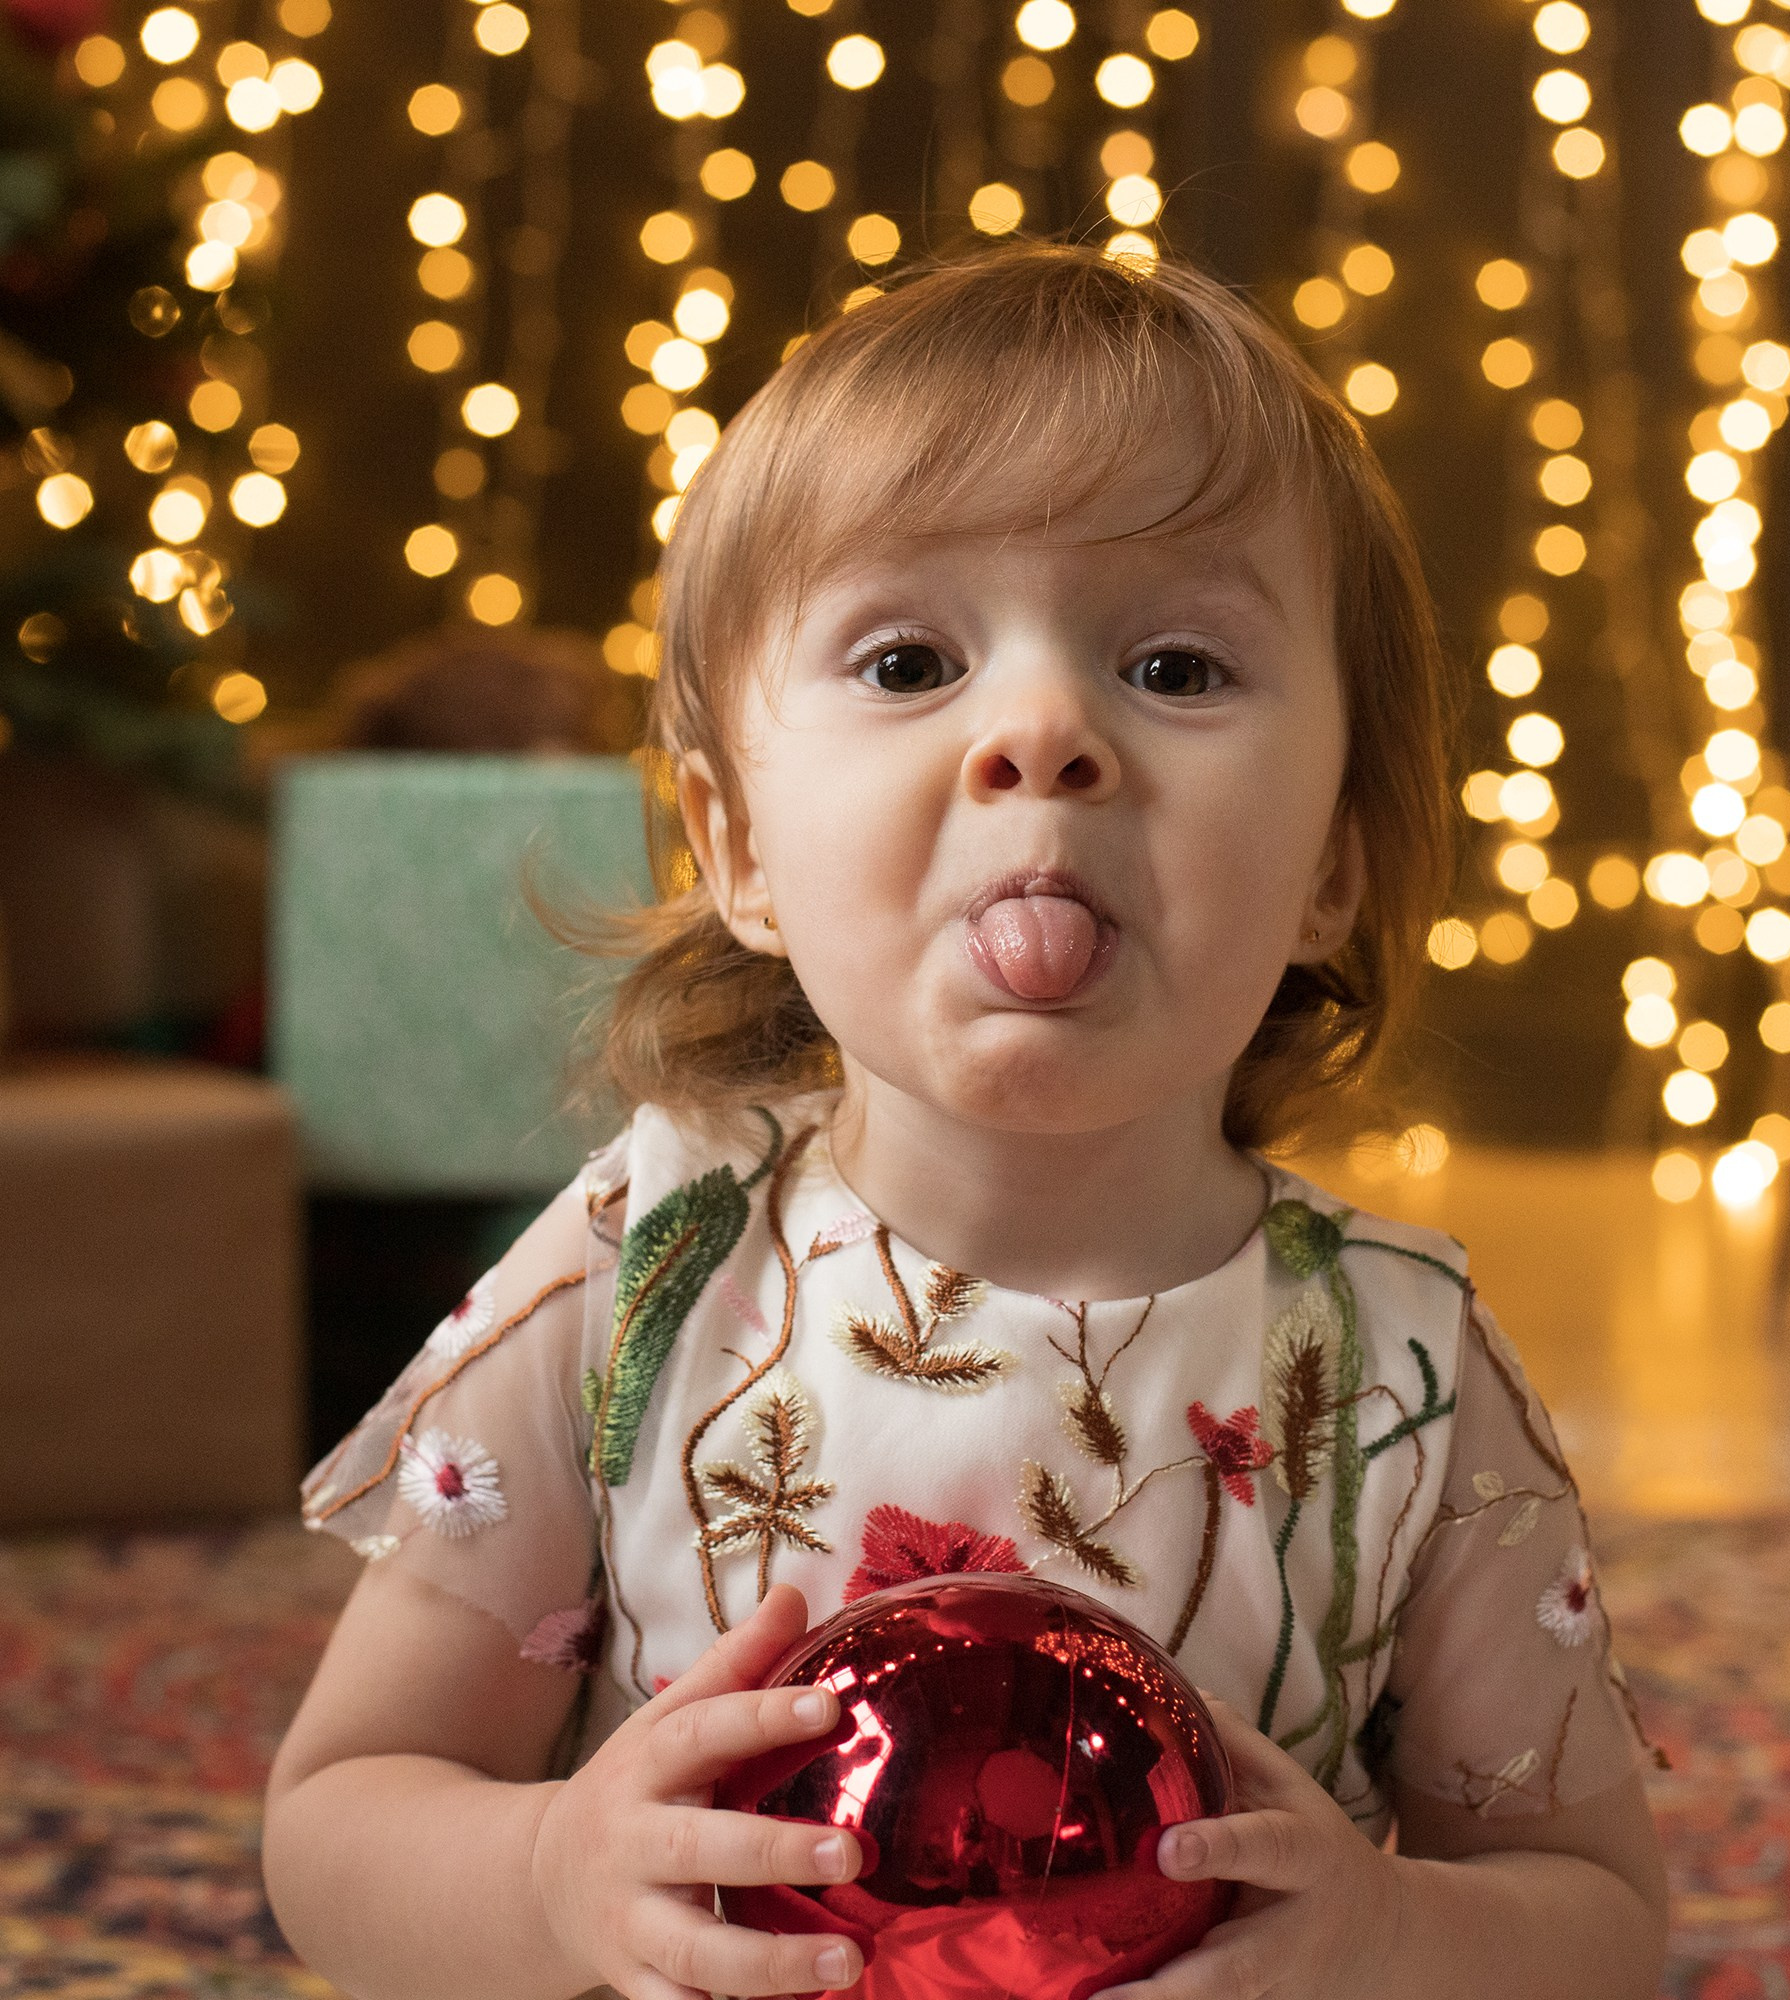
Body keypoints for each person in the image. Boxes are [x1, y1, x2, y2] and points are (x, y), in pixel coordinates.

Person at [263, 243, 1669, 2000]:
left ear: (1332, 865)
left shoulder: (1402, 1371)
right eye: (913, 657)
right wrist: (555, 1876)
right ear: (742, 850)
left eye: (1173, 666)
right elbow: (336, 1819)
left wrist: (1385, 1942)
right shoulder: (643, 1275)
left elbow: (1597, 1920)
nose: (1042, 734)